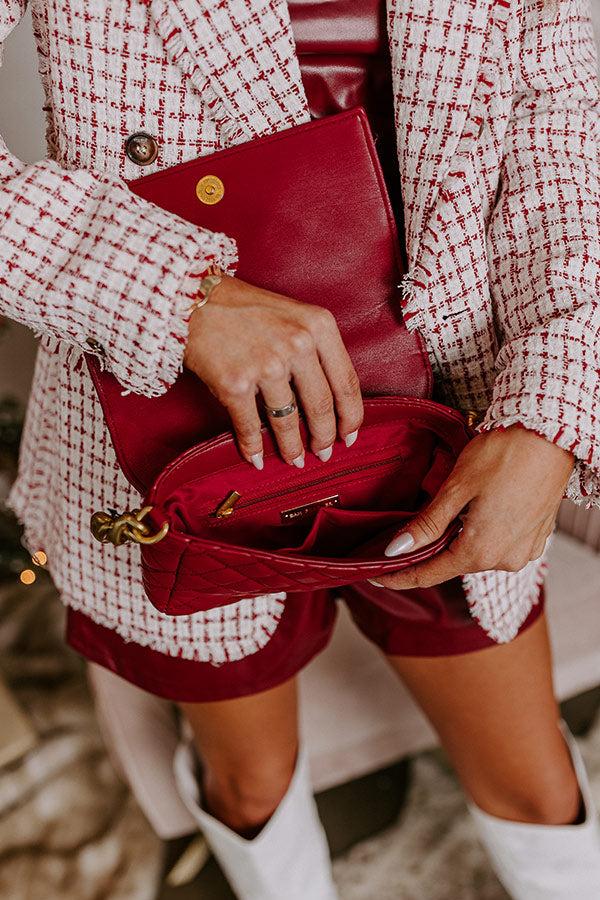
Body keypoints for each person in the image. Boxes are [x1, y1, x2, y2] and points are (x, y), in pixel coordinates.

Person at [1, 0, 599, 897]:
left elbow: (557, 139)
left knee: (535, 786)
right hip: (174, 429)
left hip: (458, 418)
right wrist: (167, 291)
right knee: (251, 782)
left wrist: (552, 415)